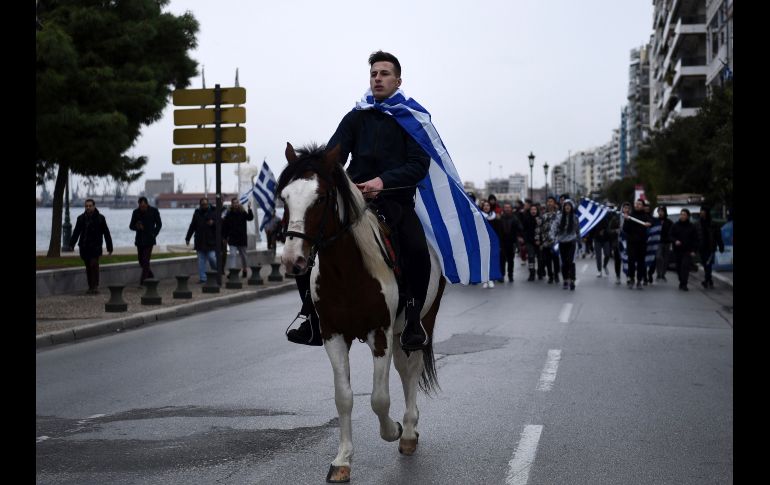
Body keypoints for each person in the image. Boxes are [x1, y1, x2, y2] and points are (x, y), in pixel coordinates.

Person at [287, 51, 431, 351]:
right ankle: (310, 313)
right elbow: (334, 156)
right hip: (355, 200)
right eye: (373, 74)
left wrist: (383, 181)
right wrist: (320, 173)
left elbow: (419, 165)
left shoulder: (412, 119)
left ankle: (413, 316)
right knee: (312, 242)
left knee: (417, 248)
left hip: (394, 201)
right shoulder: (356, 116)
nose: (377, 79)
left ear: (398, 81)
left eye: (384, 74)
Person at [69, 199, 113, 294]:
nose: (88, 208)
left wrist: (109, 247)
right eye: (86, 206)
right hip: (84, 247)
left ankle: (95, 286)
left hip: (96, 247)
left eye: (90, 206)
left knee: (94, 265)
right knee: (88, 267)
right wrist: (72, 244)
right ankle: (90, 287)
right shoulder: (81, 218)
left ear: (94, 206)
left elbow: (106, 233)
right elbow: (76, 232)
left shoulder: (100, 218)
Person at [129, 196, 162, 285]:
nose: (142, 208)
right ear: (139, 205)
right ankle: (151, 277)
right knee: (141, 261)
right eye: (141, 206)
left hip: (149, 239)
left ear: (147, 204)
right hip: (139, 240)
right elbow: (131, 226)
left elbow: (159, 224)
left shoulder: (154, 211)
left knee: (146, 260)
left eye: (144, 206)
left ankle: (143, 282)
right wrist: (137, 226)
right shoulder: (135, 212)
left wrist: (154, 234)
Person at [185, 198, 217, 283]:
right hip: (199, 241)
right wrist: (188, 238)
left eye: (205, 204)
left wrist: (213, 223)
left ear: (208, 204)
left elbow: (219, 224)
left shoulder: (214, 212)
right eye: (202, 204)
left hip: (211, 241)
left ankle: (216, 271)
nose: (204, 206)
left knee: (212, 258)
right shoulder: (197, 213)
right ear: (200, 205)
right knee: (201, 261)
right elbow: (192, 226)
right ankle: (203, 278)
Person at [623, 199, 652, 290]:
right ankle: (631, 279)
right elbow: (625, 229)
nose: (637, 205)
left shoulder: (646, 216)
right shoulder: (631, 216)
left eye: (639, 204)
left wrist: (649, 224)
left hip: (642, 243)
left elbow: (651, 224)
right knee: (631, 261)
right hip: (631, 243)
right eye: (636, 204)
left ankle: (639, 280)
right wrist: (626, 220)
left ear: (643, 206)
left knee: (641, 262)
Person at [551, 199, 581, 290]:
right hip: (562, 242)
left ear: (571, 207)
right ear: (563, 207)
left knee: (571, 261)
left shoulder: (575, 217)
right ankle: (565, 280)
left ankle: (572, 280)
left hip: (572, 241)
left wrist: (579, 242)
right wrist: (553, 238)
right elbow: (553, 228)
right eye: (565, 205)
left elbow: (578, 230)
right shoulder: (559, 217)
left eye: (569, 205)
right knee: (564, 262)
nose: (567, 207)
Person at [223, 197, 255, 277]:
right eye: (234, 203)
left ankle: (244, 269)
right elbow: (225, 227)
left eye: (237, 203)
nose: (235, 204)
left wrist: (249, 209)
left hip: (242, 238)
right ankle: (232, 272)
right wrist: (225, 237)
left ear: (238, 203)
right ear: (232, 204)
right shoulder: (228, 214)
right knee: (232, 255)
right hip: (232, 238)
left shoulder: (242, 212)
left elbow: (250, 218)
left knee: (243, 256)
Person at [670, 209, 699, 291]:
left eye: (684, 215)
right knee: (679, 267)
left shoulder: (692, 227)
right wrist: (675, 241)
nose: (682, 216)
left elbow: (695, 239)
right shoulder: (675, 225)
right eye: (681, 214)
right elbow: (670, 235)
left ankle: (684, 284)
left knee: (685, 266)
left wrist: (694, 250)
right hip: (678, 250)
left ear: (688, 216)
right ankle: (681, 280)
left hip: (687, 250)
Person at [697, 205, 725, 289]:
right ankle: (709, 280)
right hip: (701, 247)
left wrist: (721, 246)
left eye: (703, 211)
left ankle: (706, 280)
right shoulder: (698, 224)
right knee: (705, 264)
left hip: (710, 247)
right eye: (701, 211)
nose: (702, 213)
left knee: (708, 264)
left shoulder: (713, 224)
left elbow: (718, 236)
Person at [498, 202, 524, 284]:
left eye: (508, 207)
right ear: (503, 209)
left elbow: (520, 228)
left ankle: (510, 275)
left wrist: (519, 236)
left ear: (511, 209)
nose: (507, 209)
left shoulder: (515, 218)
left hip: (512, 242)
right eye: (505, 207)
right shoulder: (500, 218)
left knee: (510, 260)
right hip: (502, 242)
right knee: (502, 260)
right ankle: (502, 275)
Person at [540, 196, 560, 284]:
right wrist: (541, 240)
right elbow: (540, 227)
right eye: (548, 201)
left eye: (551, 201)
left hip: (555, 241)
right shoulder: (543, 215)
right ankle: (550, 276)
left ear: (554, 203)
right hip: (546, 241)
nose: (549, 203)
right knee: (547, 260)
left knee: (556, 259)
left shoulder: (558, 215)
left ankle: (556, 275)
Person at [654, 206, 673, 282]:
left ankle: (663, 274)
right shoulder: (655, 221)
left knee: (666, 259)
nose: (660, 213)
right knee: (658, 257)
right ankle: (658, 273)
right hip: (658, 242)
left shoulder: (669, 222)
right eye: (659, 211)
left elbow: (672, 232)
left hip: (667, 242)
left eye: (662, 211)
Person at [591, 210, 611, 278]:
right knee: (598, 256)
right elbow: (592, 228)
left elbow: (609, 226)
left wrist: (604, 231)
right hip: (597, 239)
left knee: (607, 254)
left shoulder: (607, 215)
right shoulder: (595, 216)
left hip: (606, 239)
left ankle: (604, 266)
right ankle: (599, 270)